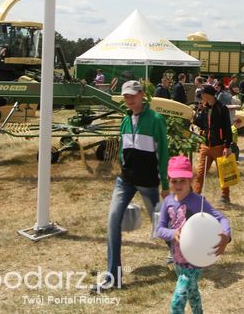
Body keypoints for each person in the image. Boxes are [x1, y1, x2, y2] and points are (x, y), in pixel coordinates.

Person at [95, 81, 170, 292]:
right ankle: (113, 276)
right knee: (112, 222)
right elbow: (122, 150)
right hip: (125, 180)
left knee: (159, 223)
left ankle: (180, 254)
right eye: (126, 95)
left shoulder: (156, 120)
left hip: (148, 182)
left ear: (142, 95)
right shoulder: (125, 120)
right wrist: (124, 167)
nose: (129, 99)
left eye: (133, 95)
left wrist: (164, 183)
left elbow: (163, 152)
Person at [156, 156, 231, 314]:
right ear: (169, 180)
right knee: (193, 293)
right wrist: (173, 233)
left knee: (179, 299)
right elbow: (160, 229)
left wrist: (226, 236)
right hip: (178, 259)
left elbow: (221, 218)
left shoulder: (198, 202)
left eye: (182, 180)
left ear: (190, 180)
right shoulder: (168, 201)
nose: (178, 185)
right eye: (174, 181)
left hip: (195, 260)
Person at [193, 85, 233, 205]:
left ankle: (225, 196)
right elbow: (200, 123)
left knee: (222, 173)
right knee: (200, 174)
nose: (201, 97)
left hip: (219, 146)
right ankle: (195, 198)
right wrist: (194, 114)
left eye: (202, 95)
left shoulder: (222, 108)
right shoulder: (204, 108)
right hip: (205, 146)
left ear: (208, 95)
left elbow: (227, 128)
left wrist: (227, 146)